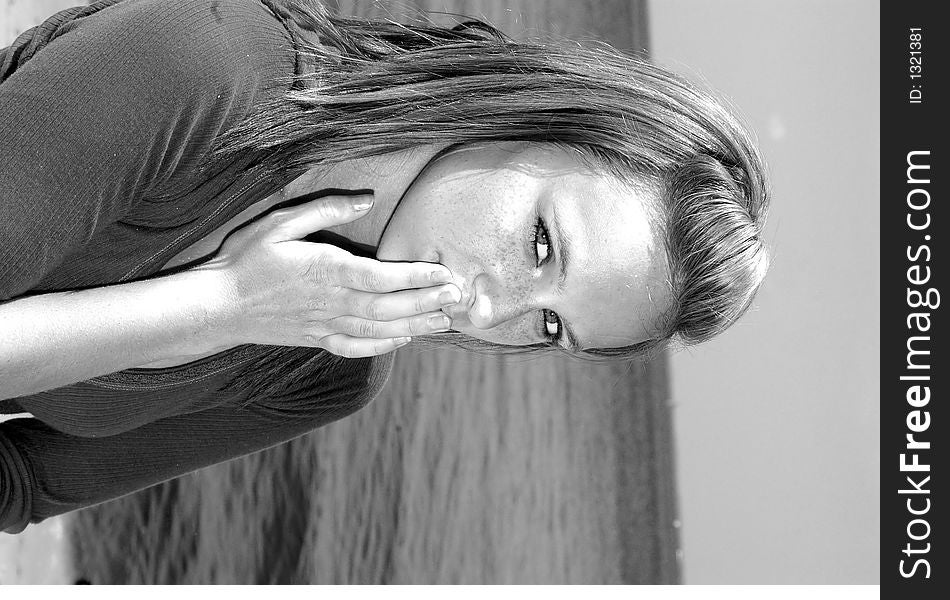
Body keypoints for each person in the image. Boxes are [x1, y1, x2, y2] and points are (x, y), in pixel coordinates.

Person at [0, 0, 769, 533]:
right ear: (537, 114)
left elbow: (26, 483)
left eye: (548, 324)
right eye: (541, 243)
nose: (484, 314)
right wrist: (224, 306)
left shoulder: (327, 371)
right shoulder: (209, 64)